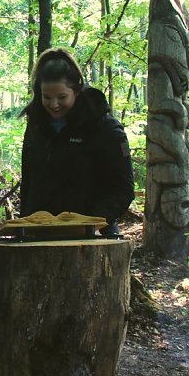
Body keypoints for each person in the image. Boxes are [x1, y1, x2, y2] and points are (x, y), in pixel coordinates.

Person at [19, 47, 134, 235]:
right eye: (47, 97)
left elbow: (124, 188)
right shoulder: (36, 126)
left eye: (61, 97)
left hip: (93, 234)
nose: (54, 104)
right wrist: (23, 226)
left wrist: (92, 224)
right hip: (40, 233)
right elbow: (29, 183)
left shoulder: (105, 128)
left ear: (77, 91)